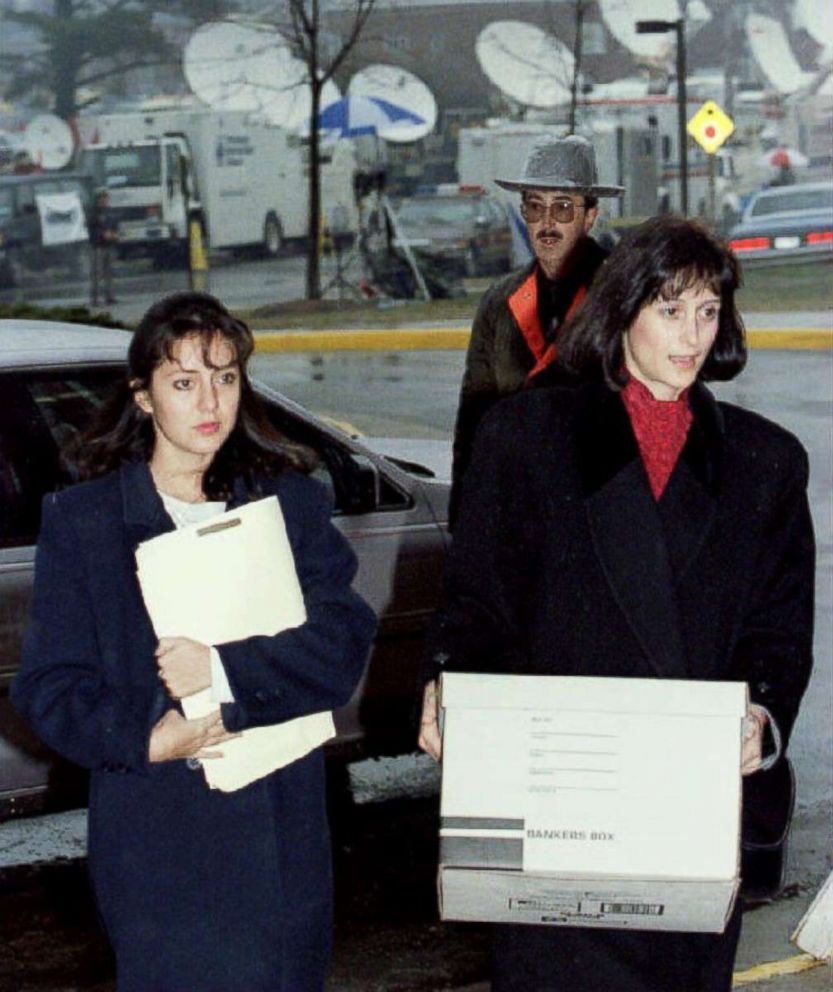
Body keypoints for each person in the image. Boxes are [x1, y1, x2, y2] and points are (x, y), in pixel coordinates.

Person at [419, 217, 814, 991]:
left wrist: (760, 720)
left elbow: (779, 632)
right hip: (556, 816)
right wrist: (448, 685)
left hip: (688, 820)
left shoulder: (765, 464)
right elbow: (477, 606)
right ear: (621, 309)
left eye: (708, 312)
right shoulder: (525, 440)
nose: (692, 334)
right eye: (670, 310)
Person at [11, 291, 377, 992]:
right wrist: (147, 738)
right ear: (143, 396)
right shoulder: (85, 524)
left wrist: (222, 670)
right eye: (184, 382)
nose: (210, 401)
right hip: (160, 843)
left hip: (279, 832)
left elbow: (341, 641)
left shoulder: (287, 504)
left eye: (226, 376)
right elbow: (48, 687)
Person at [449, 133, 624, 523]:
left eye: (563, 208)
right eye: (534, 207)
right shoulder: (499, 302)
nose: (547, 223)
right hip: (519, 513)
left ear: (590, 216)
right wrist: (464, 530)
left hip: (600, 516)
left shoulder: (622, 294)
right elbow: (473, 424)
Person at [89, 187, 118, 306]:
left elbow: (115, 225)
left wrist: (114, 234)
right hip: (98, 247)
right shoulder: (92, 213)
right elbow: (90, 229)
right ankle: (94, 298)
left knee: (109, 273)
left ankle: (109, 296)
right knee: (97, 274)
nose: (105, 200)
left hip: (109, 245)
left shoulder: (110, 212)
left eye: (106, 198)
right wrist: (102, 234)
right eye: (102, 198)